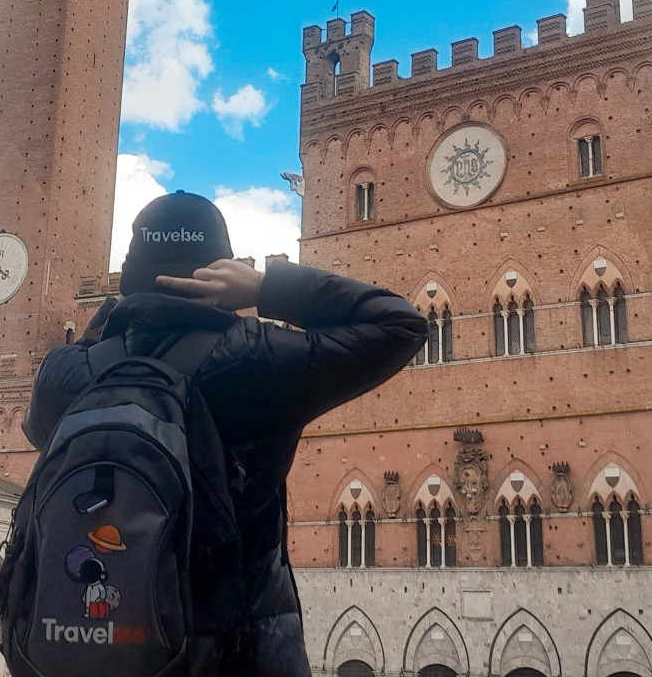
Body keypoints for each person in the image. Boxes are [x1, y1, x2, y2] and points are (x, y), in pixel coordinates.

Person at [24, 192, 426, 677]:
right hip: (238, 653)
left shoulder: (64, 374)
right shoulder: (259, 360)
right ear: (219, 270)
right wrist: (265, 286)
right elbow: (400, 323)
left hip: (89, 649)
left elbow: (37, 433)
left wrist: (112, 320)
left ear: (130, 278)